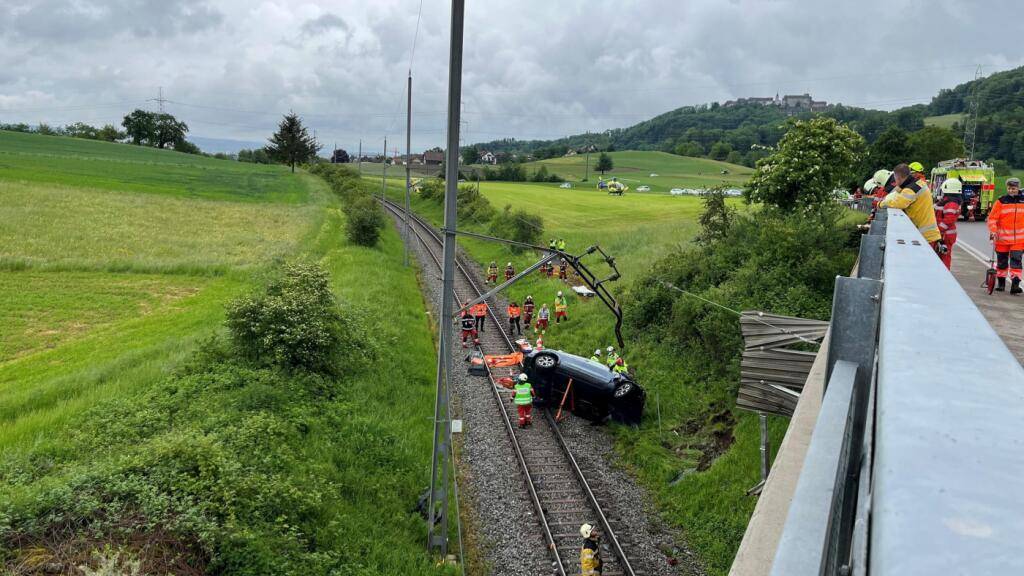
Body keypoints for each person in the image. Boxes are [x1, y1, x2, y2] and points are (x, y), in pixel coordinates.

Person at [880, 163, 941, 248]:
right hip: (929, 233)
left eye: (895, 180)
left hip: (925, 235)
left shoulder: (910, 189)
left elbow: (898, 203)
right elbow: (899, 193)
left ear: (898, 178)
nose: (895, 183)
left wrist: (880, 204)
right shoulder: (917, 183)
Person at [988, 177, 1024, 294]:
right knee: (1002, 262)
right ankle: (1001, 284)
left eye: (1013, 188)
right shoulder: (1001, 201)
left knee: (1016, 261)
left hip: (1018, 240)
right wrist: (993, 231)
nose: (1011, 190)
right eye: (1009, 188)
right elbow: (992, 218)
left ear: (1018, 188)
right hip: (1002, 239)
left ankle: (1015, 285)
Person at [934, 178, 963, 270]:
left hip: (945, 235)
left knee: (945, 257)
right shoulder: (947, 201)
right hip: (944, 234)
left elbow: (948, 220)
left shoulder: (951, 203)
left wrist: (938, 230)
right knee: (941, 255)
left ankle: (945, 275)